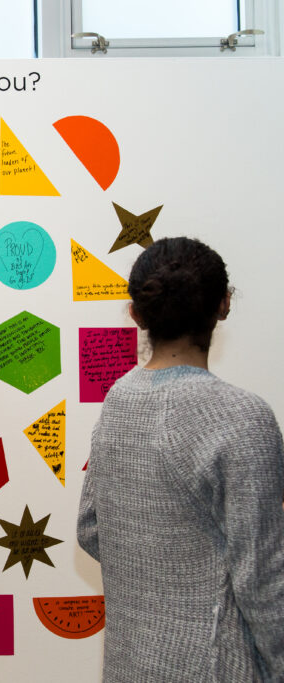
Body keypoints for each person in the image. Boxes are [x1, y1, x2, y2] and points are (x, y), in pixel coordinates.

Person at [77, 236, 284, 682]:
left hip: (130, 664)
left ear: (136, 313)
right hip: (219, 665)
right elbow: (265, 579)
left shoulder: (117, 400)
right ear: (224, 304)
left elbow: (91, 529)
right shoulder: (243, 418)